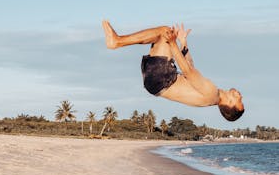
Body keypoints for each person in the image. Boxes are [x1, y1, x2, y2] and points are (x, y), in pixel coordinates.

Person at [101, 20, 244, 121]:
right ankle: (118, 41)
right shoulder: (211, 97)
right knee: (163, 35)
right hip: (158, 83)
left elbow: (187, 71)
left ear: (230, 103)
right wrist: (183, 42)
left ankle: (117, 41)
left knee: (165, 32)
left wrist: (174, 43)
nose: (240, 95)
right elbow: (191, 68)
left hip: (162, 78)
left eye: (239, 99)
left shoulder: (211, 93)